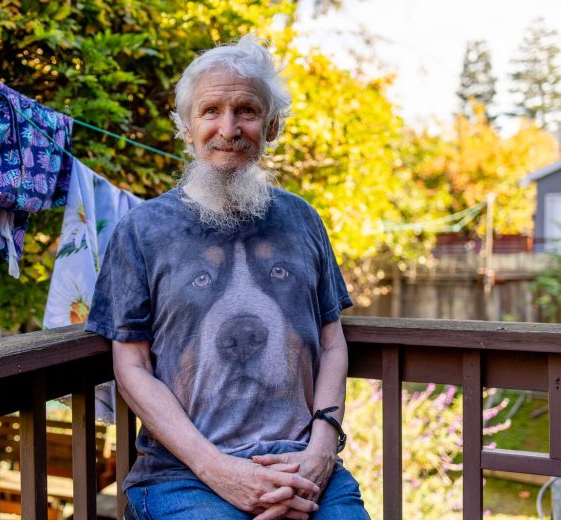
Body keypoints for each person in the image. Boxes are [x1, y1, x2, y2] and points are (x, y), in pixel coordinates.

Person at [85, 35, 370, 520]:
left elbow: (332, 340)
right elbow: (130, 365)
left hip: (303, 465)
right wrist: (220, 471)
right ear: (187, 127)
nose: (228, 128)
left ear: (272, 125)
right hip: (182, 475)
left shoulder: (303, 219)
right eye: (210, 110)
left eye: (247, 111)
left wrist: (322, 448)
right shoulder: (142, 229)